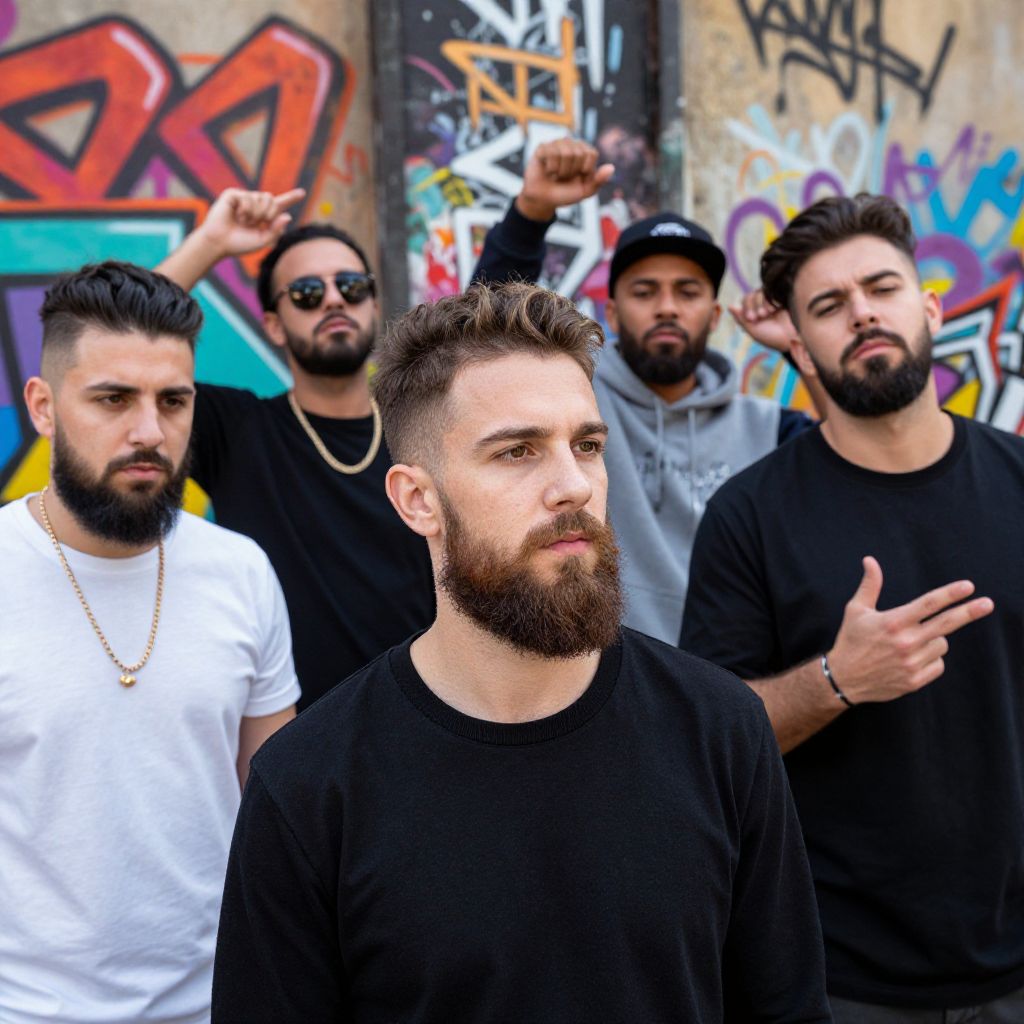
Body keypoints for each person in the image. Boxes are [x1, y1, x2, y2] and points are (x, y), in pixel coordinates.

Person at [210, 281, 831, 1023]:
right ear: (417, 500)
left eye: (588, 446)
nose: (574, 486)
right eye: (517, 452)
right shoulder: (308, 787)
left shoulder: (722, 730)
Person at [680, 194, 1024, 1020]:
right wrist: (835, 679)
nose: (863, 312)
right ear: (799, 344)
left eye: (882, 288)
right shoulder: (749, 516)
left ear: (930, 307)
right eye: (830, 305)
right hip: (839, 977)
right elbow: (708, 742)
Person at [0, 262, 299, 1023]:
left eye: (173, 401)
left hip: (220, 1000)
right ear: (43, 406)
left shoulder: (241, 573)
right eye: (113, 399)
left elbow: (276, 807)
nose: (149, 433)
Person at [473, 139, 815, 643]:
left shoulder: (770, 429)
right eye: (644, 291)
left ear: (714, 316)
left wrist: (798, 348)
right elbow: (484, 344)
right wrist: (532, 212)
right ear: (612, 313)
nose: (667, 307)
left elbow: (855, 458)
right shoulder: (576, 403)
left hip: (731, 674)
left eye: (688, 291)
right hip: (602, 670)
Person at [157, 190, 434, 708]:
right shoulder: (237, 432)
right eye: (307, 292)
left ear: (374, 305)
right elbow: (123, 339)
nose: (333, 300)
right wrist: (211, 242)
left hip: (427, 725)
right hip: (289, 736)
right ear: (273, 324)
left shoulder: (422, 429)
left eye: (351, 286)